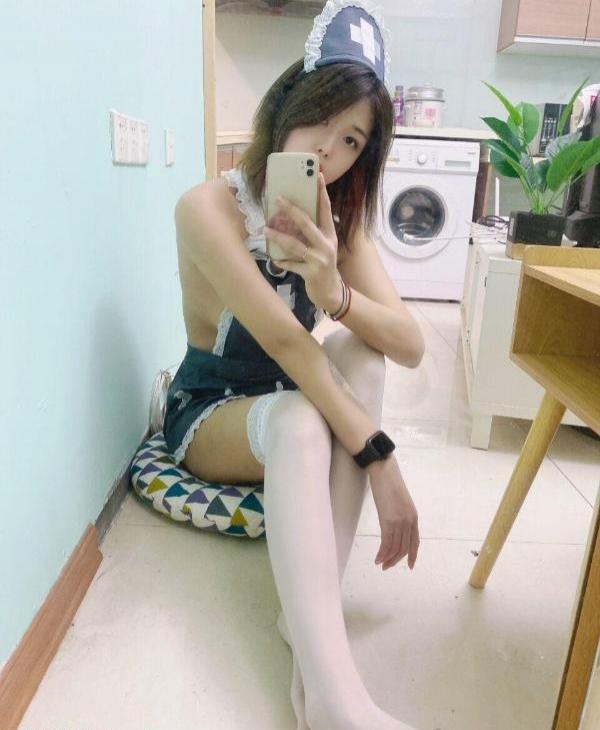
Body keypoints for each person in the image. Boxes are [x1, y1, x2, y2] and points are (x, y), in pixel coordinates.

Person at [163, 1, 425, 727]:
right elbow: (286, 345)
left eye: (351, 140)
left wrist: (334, 290)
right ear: (286, 105)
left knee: (364, 355)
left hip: (298, 399)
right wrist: (380, 458)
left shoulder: (336, 224)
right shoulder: (205, 209)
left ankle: (307, 624)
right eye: (322, 121)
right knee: (306, 419)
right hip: (215, 411)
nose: (329, 153)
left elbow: (409, 344)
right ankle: (336, 702)